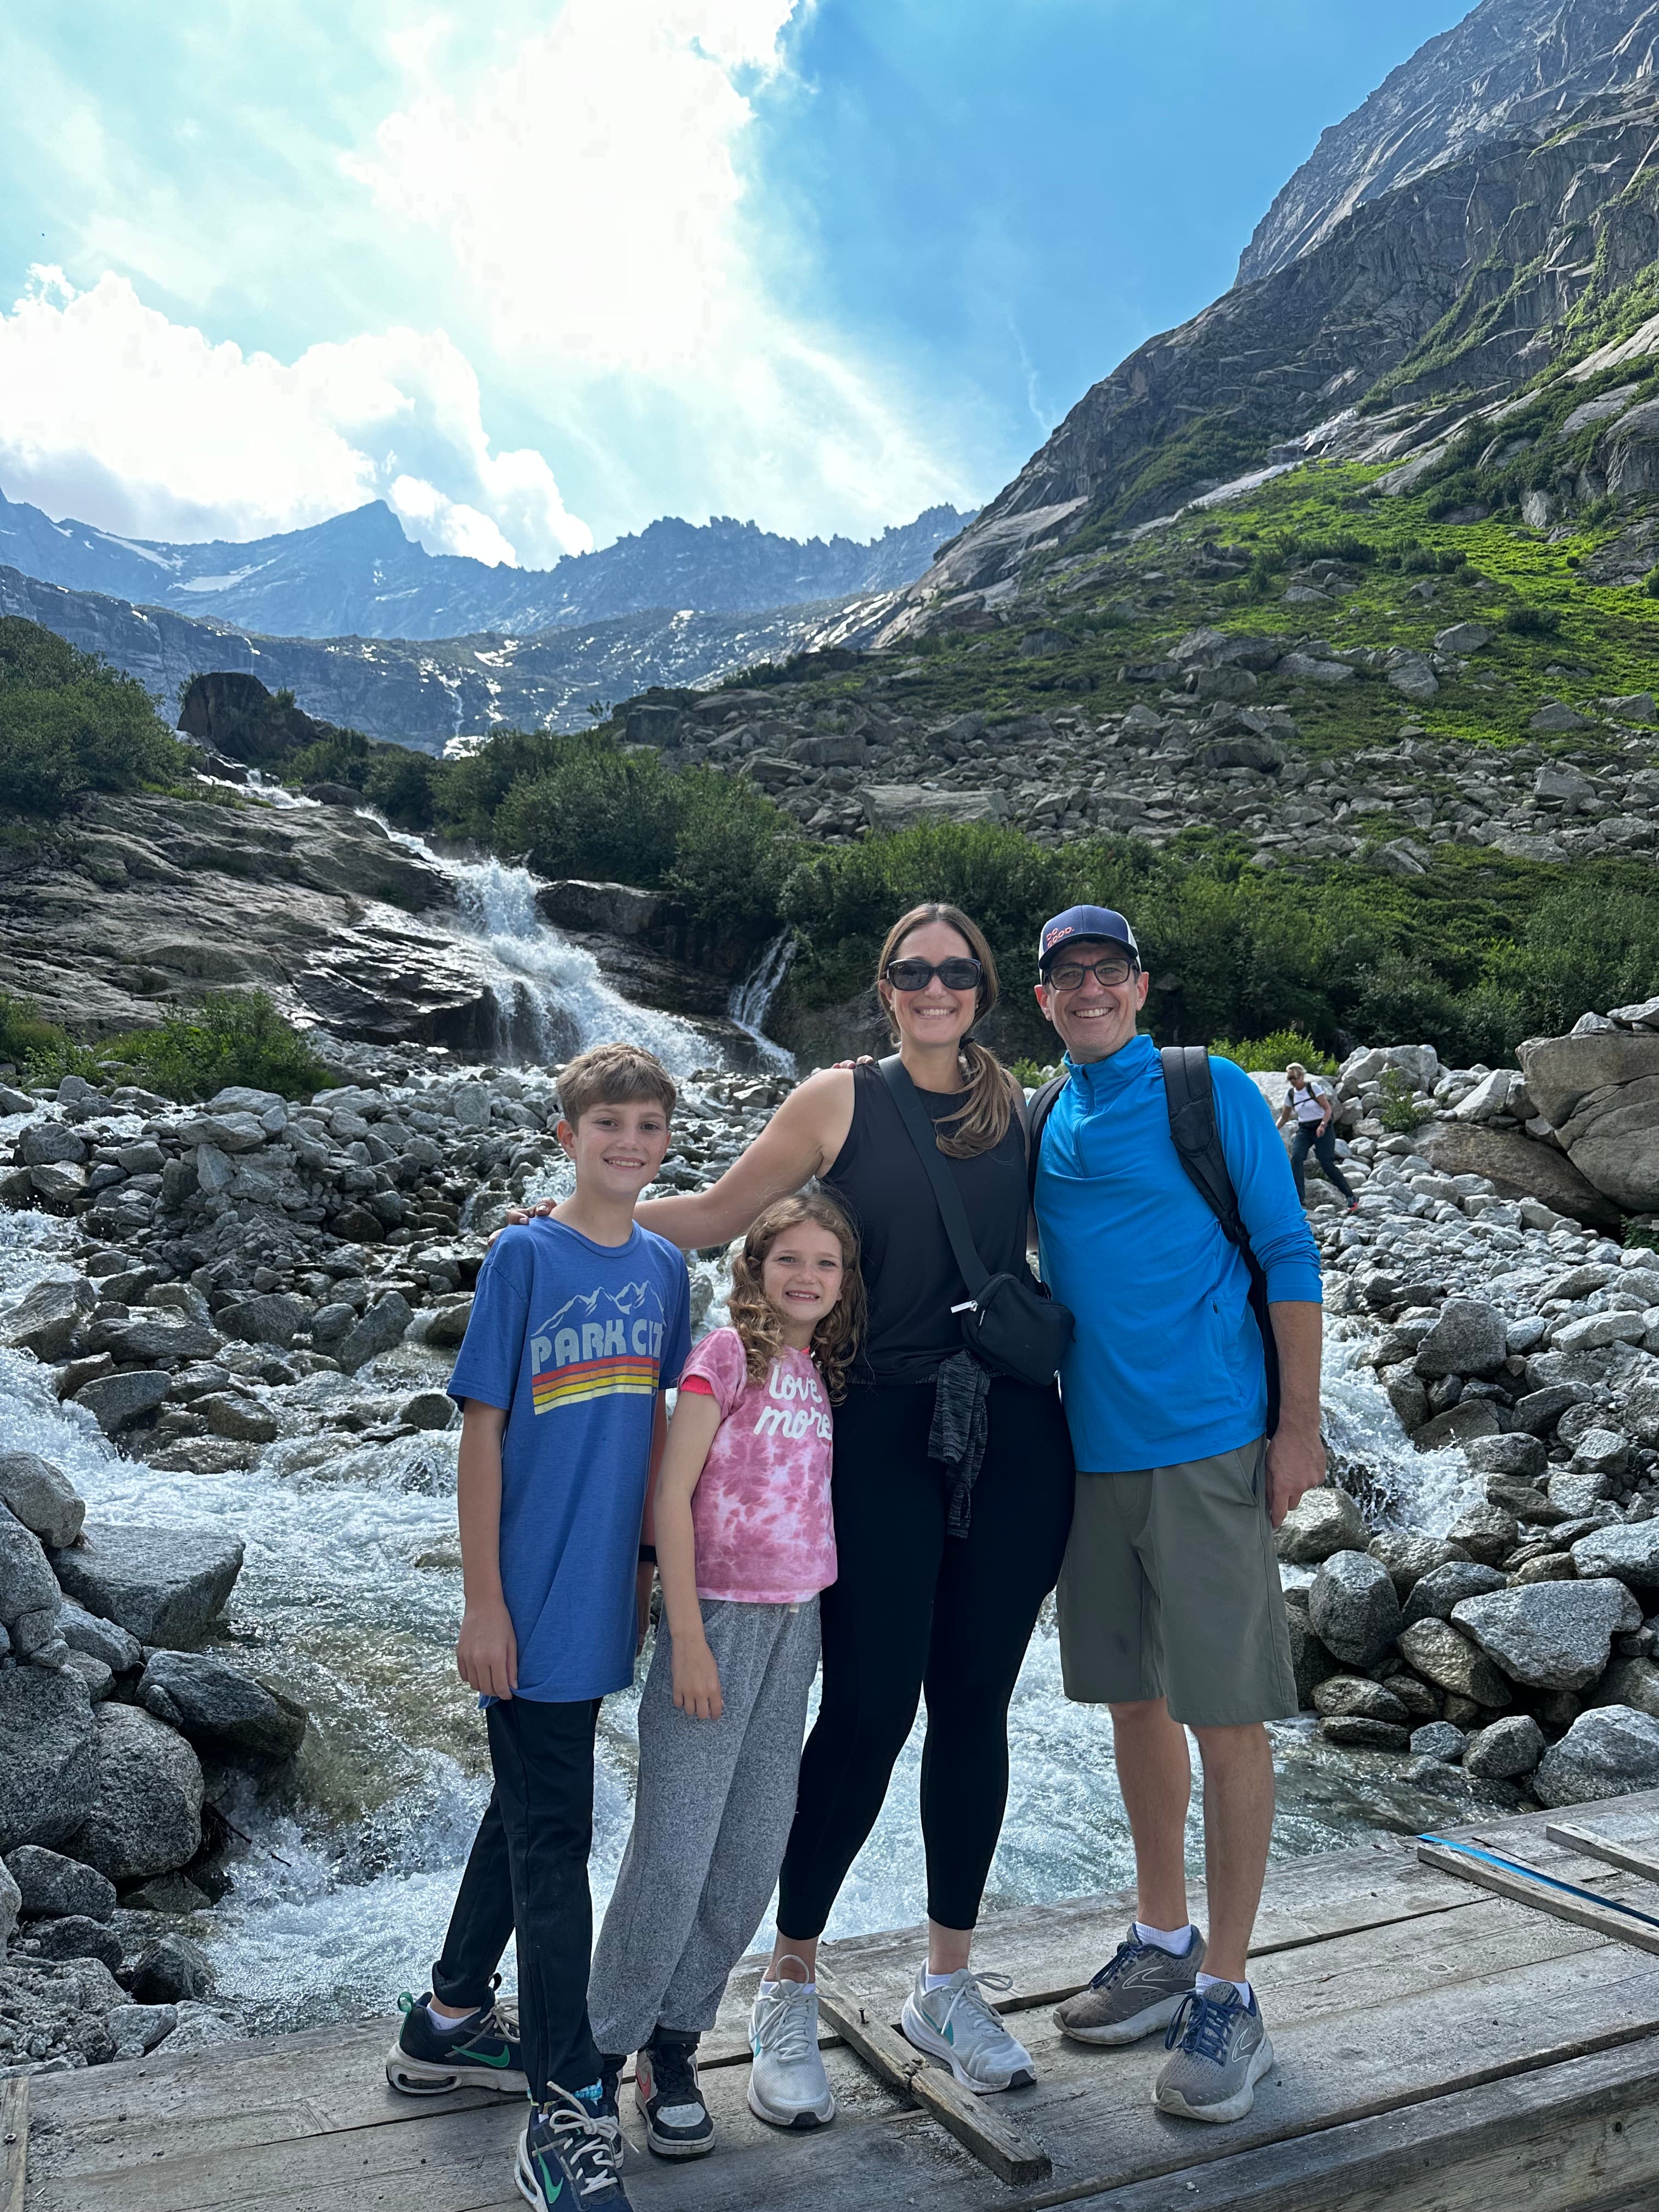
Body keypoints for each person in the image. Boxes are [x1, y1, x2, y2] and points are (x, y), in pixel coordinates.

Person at [570, 903, 1074, 2119]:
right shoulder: (837, 1098)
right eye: (912, 970)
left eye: (957, 970)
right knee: (865, 1710)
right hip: (880, 1432)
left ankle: (945, 1984)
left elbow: (1085, 1246)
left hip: (1014, 1431)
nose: (935, 987)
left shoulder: (1017, 1105)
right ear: (885, 986)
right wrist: (577, 1226)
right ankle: (786, 1979)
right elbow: (717, 1217)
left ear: (984, 987)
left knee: (974, 1708)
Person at [1028, 907, 1325, 2126]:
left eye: (1108, 970)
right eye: (1067, 976)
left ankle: (1228, 1994)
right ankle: (1161, 1939)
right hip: (1090, 1457)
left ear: (1139, 986)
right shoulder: (1045, 1116)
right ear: (1042, 999)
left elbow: (1288, 1250)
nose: (1089, 989)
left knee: (1226, 1715)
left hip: (1209, 1443)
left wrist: (1298, 1429)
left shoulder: (1211, 1091)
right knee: (1133, 1702)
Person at [386, 1042, 692, 2212]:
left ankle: (449, 2017)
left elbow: (657, 1422)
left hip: (603, 1591)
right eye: (607, 1124)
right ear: (567, 1137)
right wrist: (483, 1600)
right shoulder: (522, 1255)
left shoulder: (665, 1268)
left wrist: (649, 1571)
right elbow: (482, 1432)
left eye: (648, 1126)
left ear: (666, 1141)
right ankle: (566, 2106)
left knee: (530, 1804)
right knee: (556, 1836)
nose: (628, 1142)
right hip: (526, 1596)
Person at [585, 1194, 864, 2162]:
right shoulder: (724, 1356)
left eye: (825, 1263)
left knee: (749, 1850)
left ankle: (674, 2042)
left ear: (843, 1283)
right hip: (718, 1623)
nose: (806, 1277)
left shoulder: (821, 1370)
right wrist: (686, 1634)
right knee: (674, 1849)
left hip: (796, 1627)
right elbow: (672, 1491)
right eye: (789, 1258)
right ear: (754, 1266)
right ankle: (600, 2050)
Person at [1276, 1061, 1358, 1212]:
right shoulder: (1291, 1095)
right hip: (1305, 1129)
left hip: (1322, 1127)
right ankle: (1300, 1199)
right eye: (1290, 1079)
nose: (1292, 1082)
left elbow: (1327, 1109)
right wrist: (1273, 1131)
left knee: (1326, 1163)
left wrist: (1322, 1125)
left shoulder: (1313, 1088)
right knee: (1296, 1158)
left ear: (1302, 1076)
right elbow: (1284, 1117)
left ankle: (1350, 1196)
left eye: (1294, 1078)